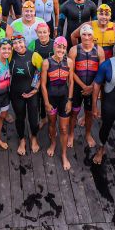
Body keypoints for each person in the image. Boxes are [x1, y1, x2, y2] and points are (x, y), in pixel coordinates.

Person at [67, 24, 105, 148]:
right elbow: (71, 73)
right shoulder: (74, 50)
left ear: (93, 36)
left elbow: (102, 71)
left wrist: (92, 87)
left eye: (89, 34)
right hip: (79, 87)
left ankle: (88, 134)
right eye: (84, 34)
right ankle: (71, 134)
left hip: (92, 87)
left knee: (89, 113)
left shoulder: (99, 50)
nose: (86, 37)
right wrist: (84, 86)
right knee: (74, 112)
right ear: (80, 35)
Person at [40, 37, 74, 170]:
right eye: (58, 47)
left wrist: (70, 101)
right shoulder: (46, 63)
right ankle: (53, 143)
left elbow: (71, 82)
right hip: (52, 98)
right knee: (52, 124)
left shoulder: (69, 62)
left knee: (64, 128)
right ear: (54, 47)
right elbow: (43, 85)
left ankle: (64, 154)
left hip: (64, 97)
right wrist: (47, 103)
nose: (61, 50)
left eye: (63, 47)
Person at [7, 34, 43, 155]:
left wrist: (35, 89)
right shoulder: (10, 54)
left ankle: (34, 137)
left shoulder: (34, 55)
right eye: (15, 43)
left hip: (32, 92)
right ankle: (21, 139)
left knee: (33, 118)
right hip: (16, 92)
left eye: (20, 43)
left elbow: (41, 72)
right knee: (20, 117)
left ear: (25, 42)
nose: (18, 46)